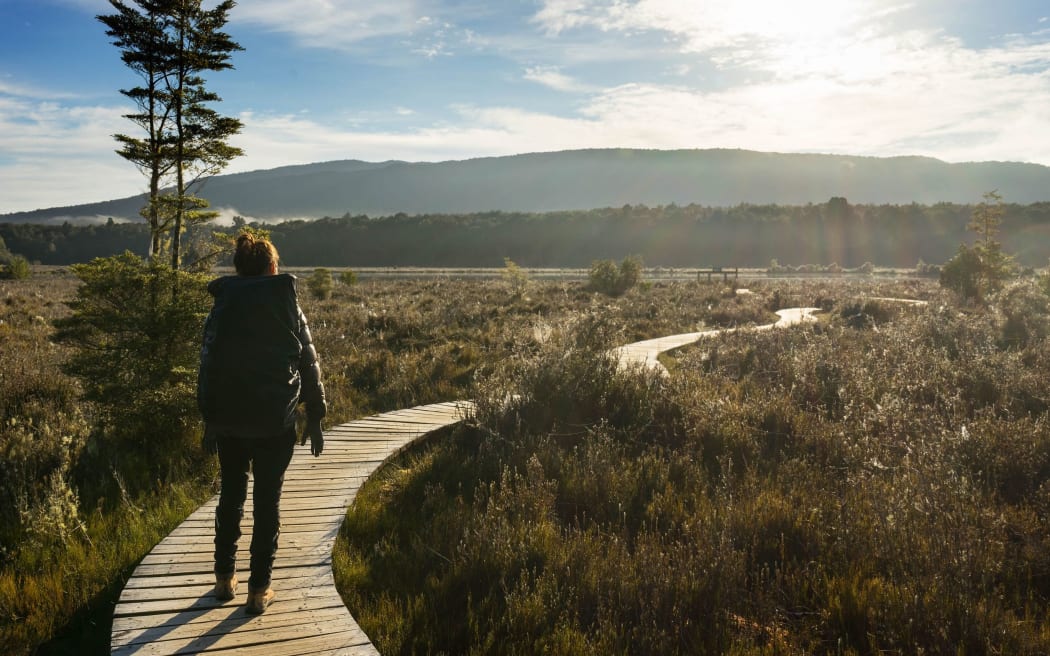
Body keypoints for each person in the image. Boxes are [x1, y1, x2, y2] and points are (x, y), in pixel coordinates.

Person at [197, 233, 326, 614]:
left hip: (230, 421)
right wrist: (315, 418)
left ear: (239, 268)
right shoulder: (287, 303)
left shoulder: (223, 305)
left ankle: (223, 580)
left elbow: (208, 365)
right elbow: (309, 362)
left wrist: (210, 419)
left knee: (231, 497)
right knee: (267, 503)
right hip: (275, 421)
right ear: (272, 268)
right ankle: (258, 590)